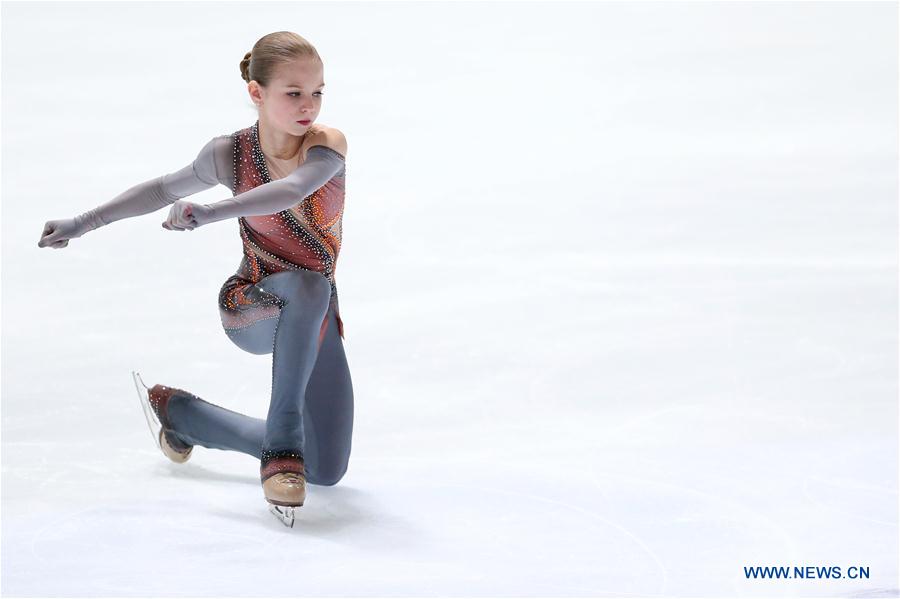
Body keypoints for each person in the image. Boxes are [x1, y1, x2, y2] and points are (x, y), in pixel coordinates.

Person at [37, 31, 353, 528]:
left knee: (328, 468)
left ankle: (183, 416)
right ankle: (283, 444)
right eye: (293, 93)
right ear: (257, 93)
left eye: (317, 92)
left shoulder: (325, 147)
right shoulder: (230, 154)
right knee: (310, 288)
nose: (308, 105)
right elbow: (161, 189)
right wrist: (81, 223)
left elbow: (291, 189)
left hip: (314, 316)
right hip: (252, 304)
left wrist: (211, 212)